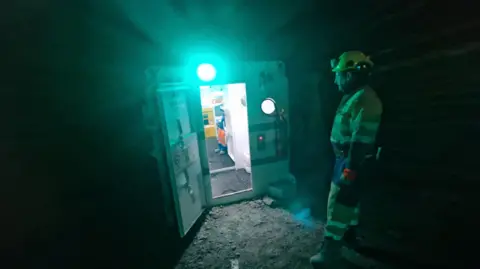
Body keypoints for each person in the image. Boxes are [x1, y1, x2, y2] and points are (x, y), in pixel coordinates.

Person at [310, 51, 383, 267]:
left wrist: (350, 170)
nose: (335, 79)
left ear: (351, 75)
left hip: (352, 161)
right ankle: (350, 235)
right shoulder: (353, 96)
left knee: (338, 204)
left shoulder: (366, 101)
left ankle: (329, 254)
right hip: (345, 159)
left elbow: (361, 143)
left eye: (339, 74)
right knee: (350, 202)